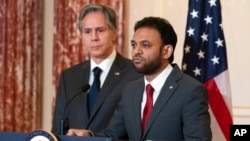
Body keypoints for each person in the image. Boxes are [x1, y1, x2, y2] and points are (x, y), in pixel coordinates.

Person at [66, 17, 212, 141]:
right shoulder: (130, 90)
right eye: (134, 45)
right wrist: (88, 136)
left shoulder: (190, 90)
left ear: (166, 51)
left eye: (146, 45)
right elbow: (113, 135)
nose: (136, 51)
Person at [51, 4, 142, 135]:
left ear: (114, 33)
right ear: (81, 36)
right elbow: (59, 128)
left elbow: (136, 129)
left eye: (100, 30)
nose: (94, 37)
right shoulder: (70, 76)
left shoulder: (134, 73)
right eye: (87, 31)